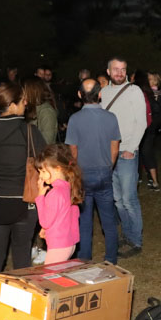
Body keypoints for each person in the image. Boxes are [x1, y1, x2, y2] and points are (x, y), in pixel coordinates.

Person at [0, 82, 46, 308]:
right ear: (12, 105)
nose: (26, 104)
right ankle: (23, 307)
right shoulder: (29, 132)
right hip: (23, 203)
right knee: (22, 255)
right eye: (23, 101)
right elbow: (44, 164)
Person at [66, 78, 122, 262]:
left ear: (79, 95)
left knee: (84, 221)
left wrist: (75, 172)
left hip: (83, 173)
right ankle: (111, 259)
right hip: (104, 172)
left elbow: (73, 151)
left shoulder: (74, 119)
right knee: (108, 221)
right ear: (100, 94)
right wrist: (108, 166)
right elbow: (115, 148)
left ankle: (84, 259)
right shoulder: (111, 117)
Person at [100, 57, 147, 257]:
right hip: (108, 153)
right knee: (117, 200)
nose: (119, 73)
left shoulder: (134, 91)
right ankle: (127, 235)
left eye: (123, 69)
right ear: (108, 71)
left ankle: (135, 240)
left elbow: (141, 122)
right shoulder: (103, 93)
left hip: (127, 151)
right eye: (115, 69)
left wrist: (131, 148)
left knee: (129, 199)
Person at [35, 144, 82, 265]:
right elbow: (68, 214)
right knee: (58, 273)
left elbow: (45, 221)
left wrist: (40, 197)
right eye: (39, 172)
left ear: (58, 168)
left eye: (43, 171)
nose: (41, 176)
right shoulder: (68, 186)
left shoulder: (55, 193)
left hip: (58, 245)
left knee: (49, 275)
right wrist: (46, 230)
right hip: (69, 243)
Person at [137, 71, 161, 189]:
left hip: (149, 129)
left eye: (149, 79)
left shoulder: (157, 95)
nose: (146, 81)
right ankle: (143, 177)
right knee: (141, 153)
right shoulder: (145, 93)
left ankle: (155, 181)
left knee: (147, 153)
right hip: (143, 128)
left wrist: (151, 126)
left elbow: (159, 114)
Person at [22, 76, 58, 144]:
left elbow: (47, 141)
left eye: (24, 91)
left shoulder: (46, 111)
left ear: (32, 92)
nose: (22, 95)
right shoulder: (31, 108)